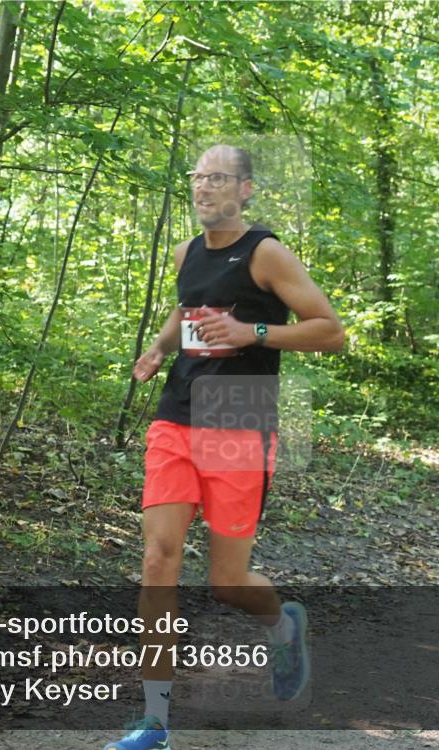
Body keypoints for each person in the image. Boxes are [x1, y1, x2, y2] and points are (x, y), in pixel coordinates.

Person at [105, 145, 345, 750]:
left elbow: (331, 331)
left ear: (245, 190)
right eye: (197, 177)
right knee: (159, 559)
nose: (203, 187)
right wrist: (161, 348)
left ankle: (281, 624)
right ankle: (154, 720)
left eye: (217, 178)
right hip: (178, 417)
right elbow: (188, 310)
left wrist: (254, 332)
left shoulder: (267, 253)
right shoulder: (187, 252)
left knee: (225, 582)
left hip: (240, 418)